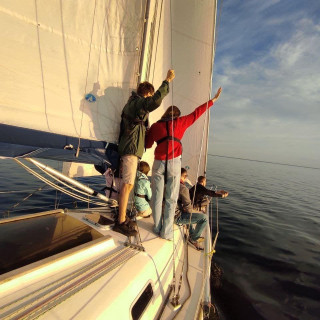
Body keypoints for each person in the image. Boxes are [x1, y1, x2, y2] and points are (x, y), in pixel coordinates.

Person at [145, 87, 222, 240]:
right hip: (173, 164)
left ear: (165, 114)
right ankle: (165, 232)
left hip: (158, 163)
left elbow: (147, 144)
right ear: (177, 115)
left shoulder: (155, 126)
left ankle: (157, 226)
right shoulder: (181, 122)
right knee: (171, 199)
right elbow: (197, 112)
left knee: (157, 197)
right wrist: (213, 100)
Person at [113, 69, 175, 236]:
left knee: (128, 184)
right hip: (131, 150)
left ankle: (122, 216)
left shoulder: (133, 104)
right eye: (150, 95)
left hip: (131, 148)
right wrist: (167, 81)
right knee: (128, 185)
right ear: (147, 93)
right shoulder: (137, 104)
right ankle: (120, 222)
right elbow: (154, 102)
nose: (150, 98)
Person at [175, 168, 208, 250]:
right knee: (204, 218)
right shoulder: (183, 188)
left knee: (186, 212)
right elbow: (189, 209)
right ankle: (193, 239)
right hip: (176, 217)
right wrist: (198, 210)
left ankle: (192, 234)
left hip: (166, 212)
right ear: (185, 176)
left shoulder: (169, 183)